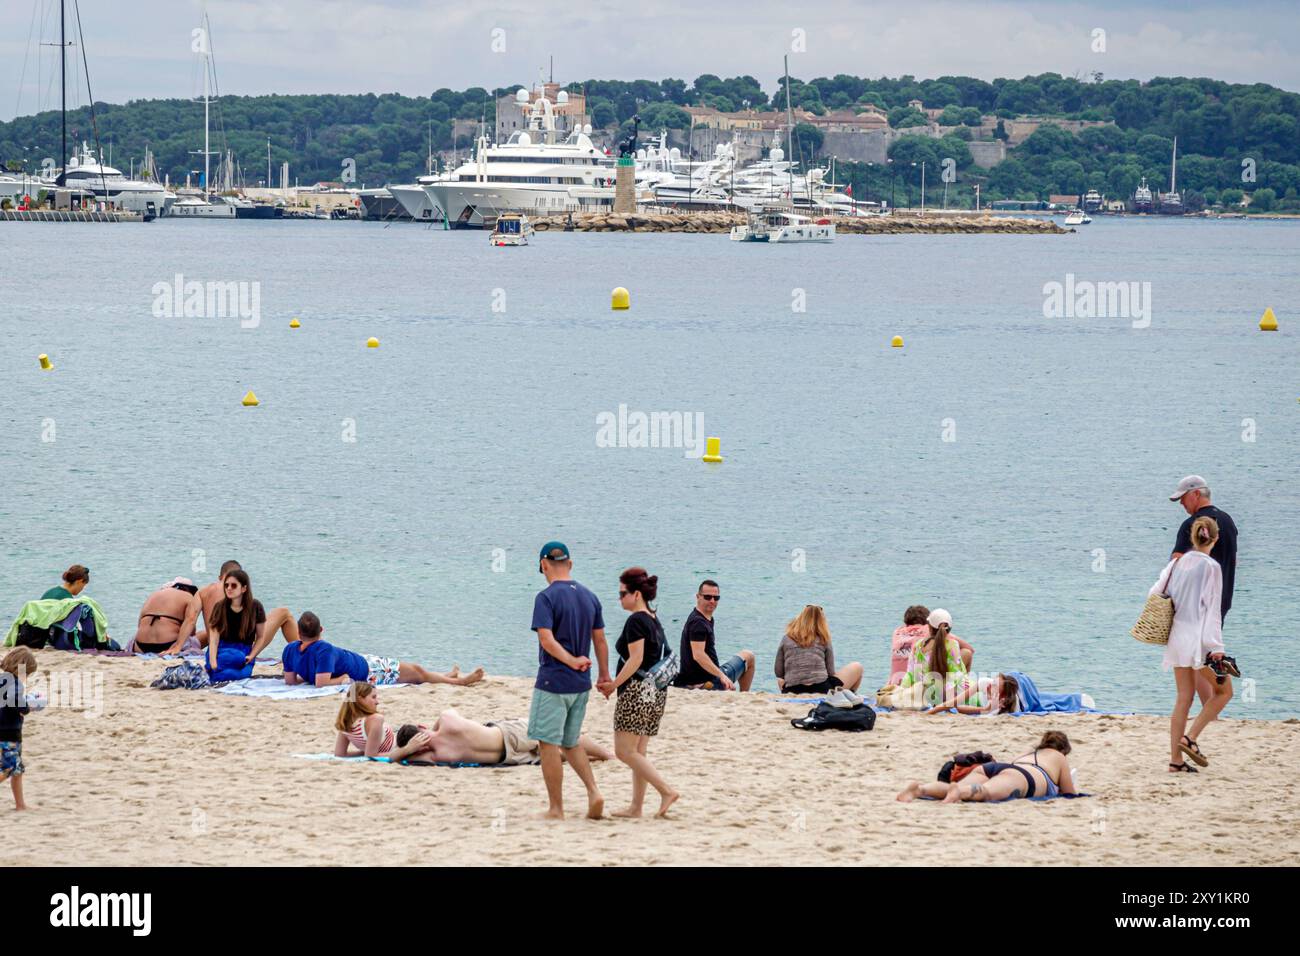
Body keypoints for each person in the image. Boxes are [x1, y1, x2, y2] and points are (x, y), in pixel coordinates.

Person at [1151, 516, 1238, 773]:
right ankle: (1190, 738)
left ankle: (1175, 762)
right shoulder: (1212, 567)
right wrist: (1217, 648)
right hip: (1198, 641)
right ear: (1215, 538)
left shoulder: (1177, 563)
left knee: (1183, 698)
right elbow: (1212, 611)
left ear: (1192, 536)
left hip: (1176, 637)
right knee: (1225, 693)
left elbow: (1154, 593)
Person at [529, 541, 609, 820]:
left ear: (543, 565)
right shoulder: (590, 596)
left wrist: (570, 660)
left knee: (547, 743)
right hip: (582, 683)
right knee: (571, 741)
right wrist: (604, 674)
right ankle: (593, 791)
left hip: (554, 681)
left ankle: (556, 808)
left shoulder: (546, 597)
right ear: (570, 564)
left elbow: (546, 639)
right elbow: (599, 639)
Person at [597, 567, 678, 818]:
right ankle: (636, 806)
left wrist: (613, 684)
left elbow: (636, 659)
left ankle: (666, 791)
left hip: (636, 690)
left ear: (636, 594)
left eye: (622, 594)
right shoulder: (653, 618)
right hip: (655, 691)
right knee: (638, 752)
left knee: (624, 751)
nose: (619, 598)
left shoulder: (636, 620)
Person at [1169, 475, 1239, 713]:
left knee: (1196, 658)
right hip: (1221, 600)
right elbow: (1234, 561)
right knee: (1200, 654)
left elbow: (1177, 564)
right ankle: (1211, 709)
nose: (1181, 505)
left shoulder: (1193, 524)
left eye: (1182, 499)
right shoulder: (1228, 522)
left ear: (1196, 494)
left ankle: (1215, 703)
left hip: (1194, 605)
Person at [283, 611, 484, 687]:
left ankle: (446, 676)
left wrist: (308, 676)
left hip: (363, 662)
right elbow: (322, 683)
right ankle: (460, 682)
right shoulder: (323, 648)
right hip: (369, 671)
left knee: (416, 672)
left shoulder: (290, 650)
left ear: (298, 633)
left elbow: (291, 681)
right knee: (417, 671)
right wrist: (342, 678)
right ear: (321, 630)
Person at [896, 731, 1077, 803]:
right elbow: (1069, 793)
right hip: (1024, 778)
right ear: (1063, 749)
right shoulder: (1059, 757)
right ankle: (959, 793)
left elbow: (1010, 766)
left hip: (996, 767)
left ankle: (919, 789)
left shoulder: (1027, 753)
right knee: (986, 791)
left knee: (959, 786)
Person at [393, 709, 612, 766]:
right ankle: (608, 756)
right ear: (422, 726)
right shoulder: (446, 720)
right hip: (508, 734)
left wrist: (407, 750)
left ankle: (597, 758)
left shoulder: (436, 756)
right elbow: (446, 715)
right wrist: (432, 730)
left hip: (507, 758)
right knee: (560, 734)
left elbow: (394, 758)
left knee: (554, 754)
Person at [206, 568, 298, 679]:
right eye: (226, 585)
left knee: (239, 661)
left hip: (244, 650)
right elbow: (214, 641)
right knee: (227, 664)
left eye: (233, 585)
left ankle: (304, 654)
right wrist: (213, 663)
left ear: (244, 588)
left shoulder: (255, 607)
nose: (229, 588)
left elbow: (260, 637)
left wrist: (252, 655)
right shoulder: (220, 607)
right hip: (222, 650)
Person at [672, 579, 756, 691]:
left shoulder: (703, 618)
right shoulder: (698, 623)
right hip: (707, 683)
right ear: (698, 597)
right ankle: (744, 696)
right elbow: (698, 655)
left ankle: (740, 695)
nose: (712, 601)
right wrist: (722, 676)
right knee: (749, 656)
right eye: (708, 597)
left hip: (701, 678)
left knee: (745, 656)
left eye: (716, 598)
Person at [332, 682, 434, 761]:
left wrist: (364, 752)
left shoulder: (346, 722)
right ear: (360, 699)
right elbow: (371, 756)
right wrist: (406, 749)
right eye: (373, 697)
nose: (377, 702)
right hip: (399, 746)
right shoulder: (375, 719)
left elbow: (340, 754)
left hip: (398, 738)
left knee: (417, 728)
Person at [774, 605, 864, 694]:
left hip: (793, 690)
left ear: (800, 618)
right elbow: (831, 672)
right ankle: (848, 696)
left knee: (780, 680)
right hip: (821, 689)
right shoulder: (823, 638)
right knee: (857, 666)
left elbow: (778, 672)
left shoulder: (786, 638)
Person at [899, 609, 969, 708]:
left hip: (924, 694)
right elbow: (956, 675)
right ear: (949, 629)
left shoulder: (918, 645)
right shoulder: (952, 644)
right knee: (965, 678)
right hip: (945, 695)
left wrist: (903, 691)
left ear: (929, 627)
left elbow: (910, 674)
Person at [889, 604, 972, 683]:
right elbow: (969, 648)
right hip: (930, 682)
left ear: (906, 623)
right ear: (927, 624)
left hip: (898, 682)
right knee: (966, 652)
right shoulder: (928, 629)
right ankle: (963, 689)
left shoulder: (897, 632)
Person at [1, 648, 40, 811]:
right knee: (9, 768)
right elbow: (16, 701)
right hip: (9, 733)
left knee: (17, 770)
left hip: (6, 730)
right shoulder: (15, 684)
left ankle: (20, 805)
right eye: (27, 674)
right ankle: (20, 805)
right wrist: (27, 708)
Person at [129, 578, 202, 655]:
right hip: (168, 645)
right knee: (205, 635)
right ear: (187, 589)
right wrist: (178, 646)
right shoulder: (188, 596)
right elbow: (191, 626)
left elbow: (139, 624)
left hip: (139, 646)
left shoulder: (154, 595)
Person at [923, 673, 1020, 715]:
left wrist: (987, 709)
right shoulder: (985, 683)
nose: (990, 685)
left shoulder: (1003, 707)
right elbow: (954, 704)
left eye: (995, 686)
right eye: (993, 681)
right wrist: (929, 713)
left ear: (1001, 696)